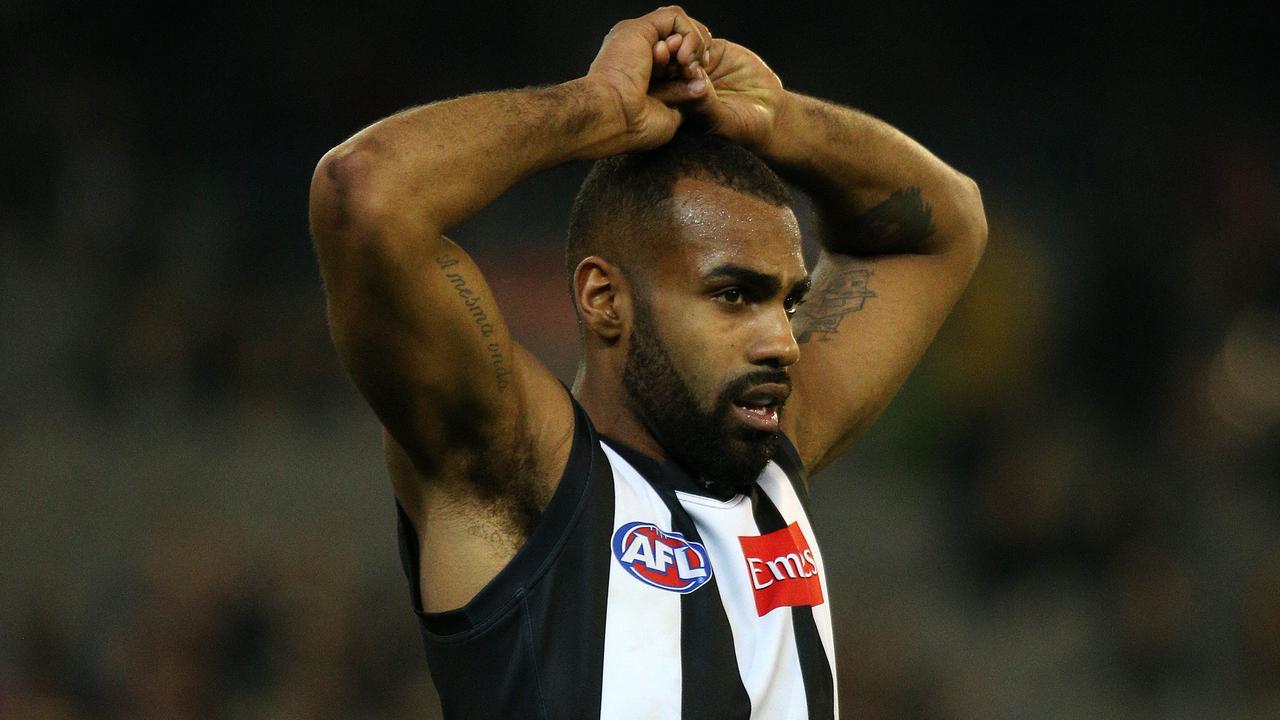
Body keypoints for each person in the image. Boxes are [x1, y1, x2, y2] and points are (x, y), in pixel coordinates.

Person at [308, 6, 985, 718]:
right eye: (732, 295)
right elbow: (367, 192)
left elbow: (949, 221)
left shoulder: (771, 451)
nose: (782, 341)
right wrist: (595, 110)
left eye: (788, 302)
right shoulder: (520, 476)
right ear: (605, 299)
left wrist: (777, 120)